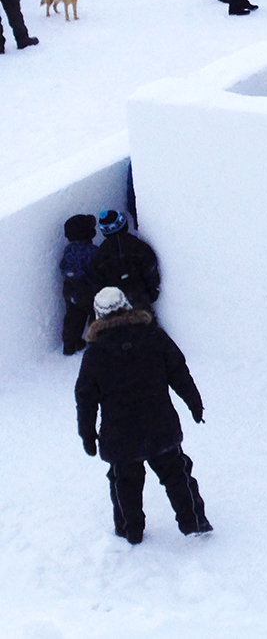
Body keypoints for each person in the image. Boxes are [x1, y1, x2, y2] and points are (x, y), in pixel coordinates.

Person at [75, 287, 212, 544]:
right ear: (127, 306)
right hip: (160, 424)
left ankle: (131, 530)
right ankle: (194, 522)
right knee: (176, 473)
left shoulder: (94, 354)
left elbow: (85, 397)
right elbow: (178, 372)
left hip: (120, 435)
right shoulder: (154, 337)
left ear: (97, 315)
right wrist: (194, 403)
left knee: (125, 480)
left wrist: (88, 434)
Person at [87, 209, 160, 311]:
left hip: (113, 303)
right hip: (139, 296)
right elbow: (150, 268)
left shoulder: (100, 254)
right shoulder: (138, 246)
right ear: (124, 225)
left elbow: (95, 280)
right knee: (143, 324)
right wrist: (152, 291)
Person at [60, 214, 99, 355]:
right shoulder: (92, 251)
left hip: (70, 288)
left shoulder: (68, 250)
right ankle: (95, 342)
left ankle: (70, 344)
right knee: (95, 314)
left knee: (73, 317)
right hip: (88, 289)